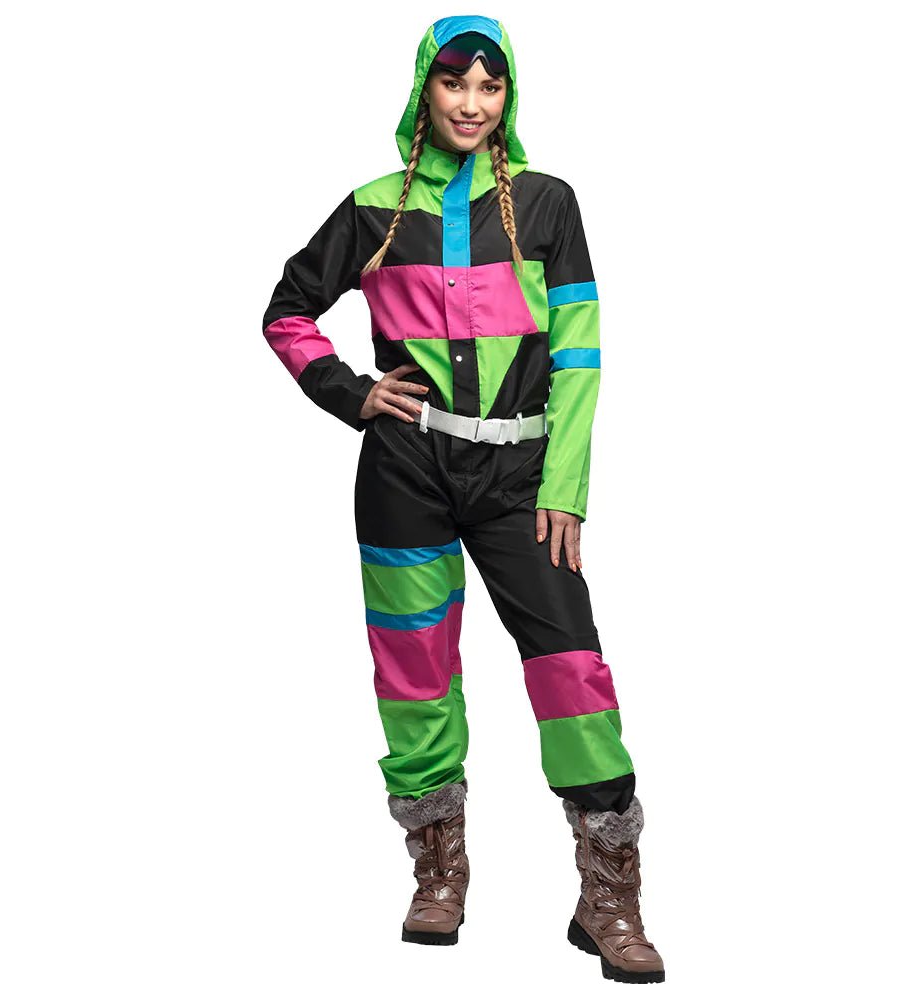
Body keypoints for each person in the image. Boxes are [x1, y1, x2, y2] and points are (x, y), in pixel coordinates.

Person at [261, 15, 665, 984]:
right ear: (424, 91)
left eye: (490, 86)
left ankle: (608, 895)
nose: (472, 104)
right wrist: (353, 394)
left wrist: (565, 487)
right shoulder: (372, 208)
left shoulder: (548, 202)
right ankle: (438, 869)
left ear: (508, 95)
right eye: (454, 85)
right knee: (414, 673)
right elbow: (286, 311)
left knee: (570, 667)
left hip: (521, 477)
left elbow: (578, 357)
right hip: (405, 472)